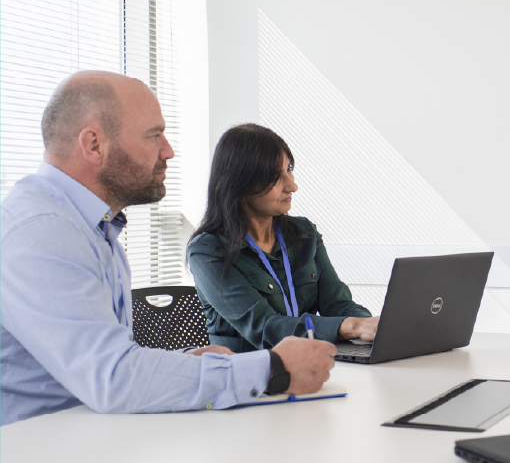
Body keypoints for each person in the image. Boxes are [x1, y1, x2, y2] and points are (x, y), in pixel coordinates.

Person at [0, 71, 336, 426]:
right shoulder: (43, 231)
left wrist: (189, 363)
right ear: (94, 145)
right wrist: (271, 369)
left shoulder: (96, 228)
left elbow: (100, 359)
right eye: (154, 135)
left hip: (84, 437)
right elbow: (112, 378)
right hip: (35, 457)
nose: (168, 151)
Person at [187, 124, 378, 352]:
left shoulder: (304, 233)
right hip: (248, 377)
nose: (293, 186)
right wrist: (353, 326)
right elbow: (263, 326)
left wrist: (373, 326)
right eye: (276, 177)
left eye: (289, 169)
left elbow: (337, 303)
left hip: (308, 366)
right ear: (240, 183)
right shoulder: (208, 251)